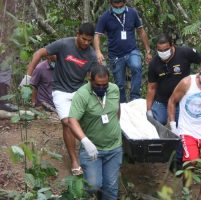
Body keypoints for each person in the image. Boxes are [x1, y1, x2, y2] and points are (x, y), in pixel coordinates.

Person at [21, 22, 97, 175]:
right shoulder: (64, 44)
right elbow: (39, 53)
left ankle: (90, 152)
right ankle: (74, 160)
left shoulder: (91, 55)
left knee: (88, 120)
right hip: (60, 90)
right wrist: (28, 76)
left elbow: (92, 78)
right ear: (78, 34)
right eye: (83, 39)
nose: (86, 43)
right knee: (67, 122)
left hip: (79, 91)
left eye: (89, 40)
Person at [146, 33, 201, 172]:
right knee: (154, 123)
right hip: (162, 101)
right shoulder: (155, 63)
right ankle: (155, 155)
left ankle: (178, 161)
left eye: (165, 49)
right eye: (159, 50)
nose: (162, 53)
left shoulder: (184, 52)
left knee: (179, 130)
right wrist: (149, 109)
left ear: (172, 46)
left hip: (181, 101)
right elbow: (151, 87)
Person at [168, 56, 201, 200]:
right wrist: (173, 125)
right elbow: (172, 101)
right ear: (199, 70)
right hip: (187, 129)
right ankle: (186, 190)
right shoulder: (187, 82)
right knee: (191, 160)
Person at [68, 64, 122, 200]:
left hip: (114, 148)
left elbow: (117, 109)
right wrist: (85, 141)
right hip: (92, 149)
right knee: (93, 185)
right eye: (98, 85)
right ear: (90, 80)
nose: (102, 88)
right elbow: (72, 121)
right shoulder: (82, 94)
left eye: (105, 85)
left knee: (111, 188)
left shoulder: (114, 90)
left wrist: (114, 128)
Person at [94, 0, 152, 103]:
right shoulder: (105, 17)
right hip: (115, 55)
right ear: (110, 3)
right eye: (115, 6)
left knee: (136, 67)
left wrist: (148, 50)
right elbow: (97, 35)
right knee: (119, 83)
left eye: (120, 6)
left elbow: (141, 31)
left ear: (124, 3)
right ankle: (122, 104)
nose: (118, 8)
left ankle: (135, 97)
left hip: (131, 50)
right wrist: (98, 52)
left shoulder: (132, 13)